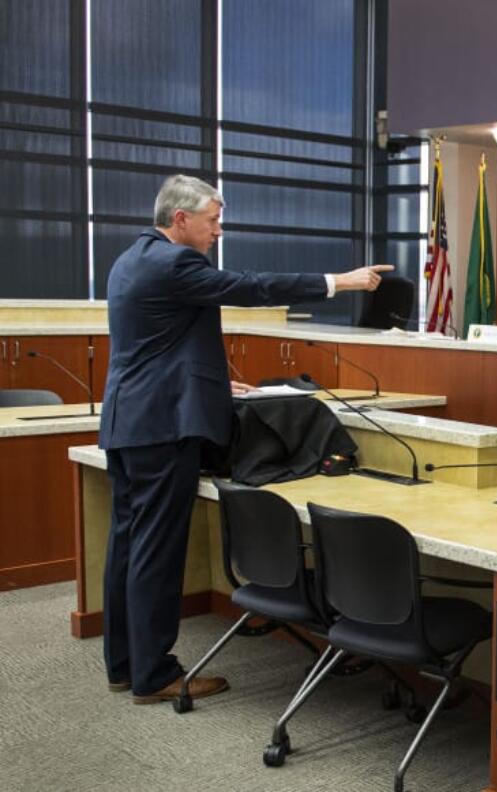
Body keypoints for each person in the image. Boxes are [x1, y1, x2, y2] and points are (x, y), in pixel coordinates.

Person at [100, 174, 390, 705]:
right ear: (181, 219)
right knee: (156, 552)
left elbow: (160, 342)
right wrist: (339, 282)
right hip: (165, 428)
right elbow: (251, 287)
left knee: (128, 545)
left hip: (130, 422)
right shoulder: (178, 262)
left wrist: (212, 380)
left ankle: (124, 664)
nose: (219, 230)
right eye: (213, 221)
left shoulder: (131, 259)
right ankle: (154, 674)